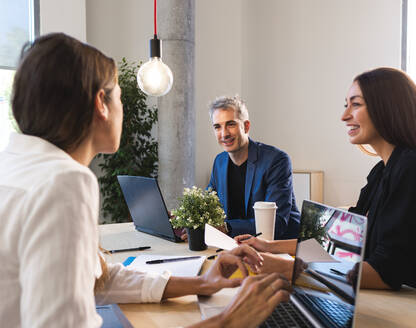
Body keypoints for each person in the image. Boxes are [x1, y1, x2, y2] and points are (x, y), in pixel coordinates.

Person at [0, 33, 291, 328]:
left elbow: (100, 280)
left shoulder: (15, 166)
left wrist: (202, 283)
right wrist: (227, 322)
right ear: (102, 103)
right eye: (120, 96)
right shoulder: (63, 181)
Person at [238, 67, 416, 302]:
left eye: (356, 104)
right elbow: (341, 240)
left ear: (387, 107)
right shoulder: (383, 170)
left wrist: (290, 270)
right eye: (346, 105)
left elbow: (386, 272)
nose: (344, 116)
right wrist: (269, 247)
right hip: (395, 303)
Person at [207, 96, 300, 239]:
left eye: (230, 124)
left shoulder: (276, 161)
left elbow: (276, 223)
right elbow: (207, 205)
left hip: (280, 247)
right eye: (217, 127)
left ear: (246, 126)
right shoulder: (219, 162)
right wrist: (184, 219)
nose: (224, 134)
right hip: (237, 243)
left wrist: (226, 228)